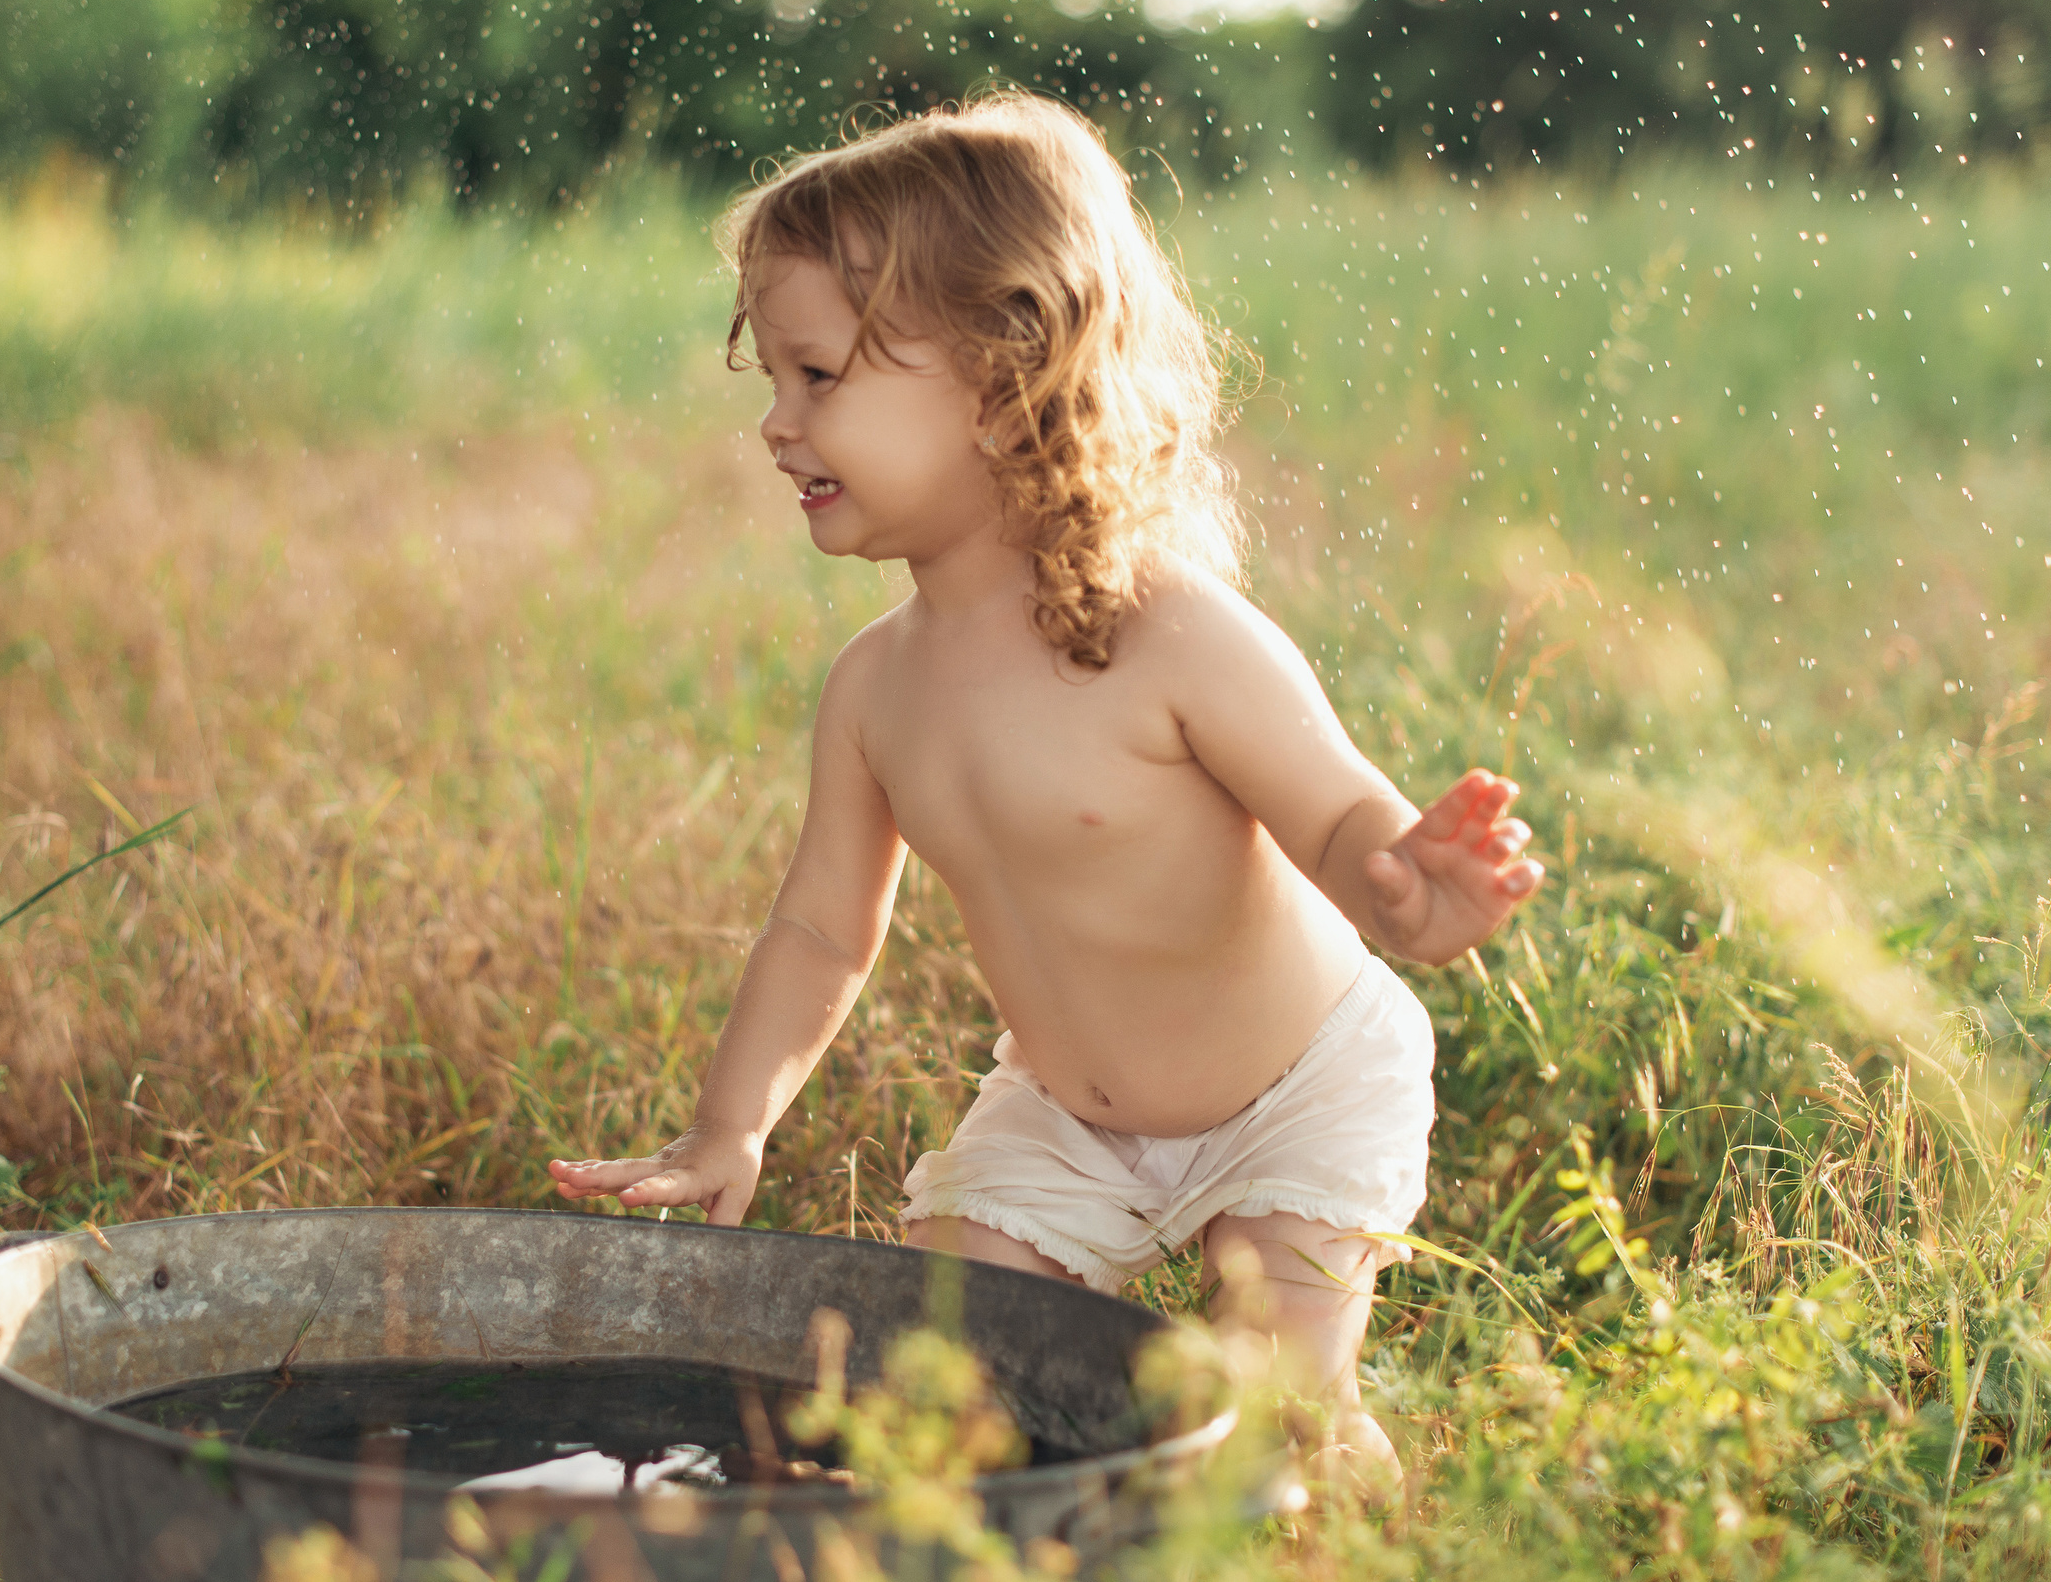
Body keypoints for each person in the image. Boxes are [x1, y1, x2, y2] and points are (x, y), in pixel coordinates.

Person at [547, 91, 1543, 1491]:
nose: (776, 424)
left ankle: (1360, 1498)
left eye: (820, 376)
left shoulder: (1166, 632)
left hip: (1298, 1086)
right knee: (937, 1396)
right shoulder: (876, 690)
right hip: (1066, 1116)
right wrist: (733, 1120)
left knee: (1271, 1433)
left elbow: (1335, 816)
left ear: (1005, 376)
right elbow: (825, 929)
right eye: (769, 379)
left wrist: (1413, 887)